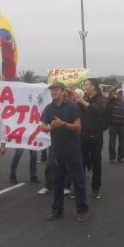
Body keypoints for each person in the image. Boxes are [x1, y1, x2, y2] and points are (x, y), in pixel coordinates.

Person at [42, 82, 89, 222]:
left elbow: (78, 127)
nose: (53, 92)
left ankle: (82, 210)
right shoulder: (48, 108)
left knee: (78, 181)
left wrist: (63, 124)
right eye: (51, 90)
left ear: (63, 92)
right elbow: (42, 127)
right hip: (56, 151)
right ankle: (57, 210)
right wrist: (49, 128)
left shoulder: (72, 107)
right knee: (57, 182)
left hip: (73, 150)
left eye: (56, 90)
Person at [75, 78, 107, 199]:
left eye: (87, 85)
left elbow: (99, 110)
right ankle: (79, 188)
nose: (85, 87)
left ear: (93, 86)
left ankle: (96, 188)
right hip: (83, 134)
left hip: (96, 134)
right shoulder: (85, 98)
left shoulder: (101, 98)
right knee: (80, 161)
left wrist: (84, 102)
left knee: (96, 162)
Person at [106, 86, 124, 164]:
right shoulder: (113, 100)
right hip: (113, 124)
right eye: (119, 93)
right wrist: (118, 85)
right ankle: (112, 157)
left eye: (122, 93)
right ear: (116, 94)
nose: (121, 95)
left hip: (122, 124)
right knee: (112, 142)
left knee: (122, 142)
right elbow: (110, 91)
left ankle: (121, 157)